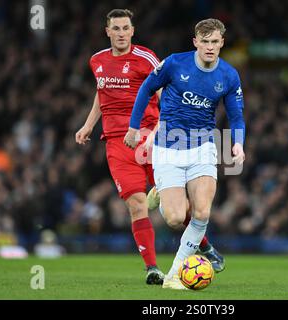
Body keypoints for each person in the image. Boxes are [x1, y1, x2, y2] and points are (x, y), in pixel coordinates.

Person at [76, 9, 222, 285]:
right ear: (107, 31)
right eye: (115, 28)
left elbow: (166, 94)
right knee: (136, 203)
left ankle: (204, 244)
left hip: (151, 138)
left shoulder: (146, 59)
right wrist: (88, 125)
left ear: (133, 31)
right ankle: (152, 268)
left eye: (125, 28)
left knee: (176, 207)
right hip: (116, 143)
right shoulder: (96, 61)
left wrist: (156, 131)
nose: (120, 33)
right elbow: (101, 92)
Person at [124, 18, 246, 289]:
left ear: (222, 43)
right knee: (176, 218)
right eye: (205, 42)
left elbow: (237, 117)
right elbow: (146, 89)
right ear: (196, 42)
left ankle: (174, 274)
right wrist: (134, 128)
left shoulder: (228, 75)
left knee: (202, 213)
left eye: (215, 42)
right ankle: (160, 193)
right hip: (169, 147)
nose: (210, 47)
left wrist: (237, 144)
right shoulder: (174, 63)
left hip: (203, 147)